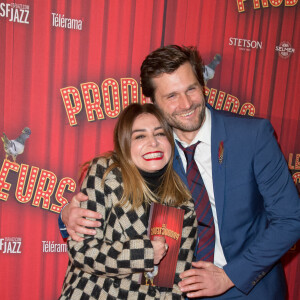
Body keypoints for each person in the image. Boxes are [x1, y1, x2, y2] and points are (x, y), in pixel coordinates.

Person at [59, 45, 300, 299]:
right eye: (171, 96)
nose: (186, 104)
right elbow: (109, 188)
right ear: (152, 103)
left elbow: (291, 219)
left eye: (191, 89)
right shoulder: (153, 151)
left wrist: (230, 276)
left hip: (249, 287)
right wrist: (66, 217)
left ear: (202, 84)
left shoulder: (252, 136)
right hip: (178, 292)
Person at [59, 103, 197, 299]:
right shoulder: (104, 173)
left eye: (159, 134)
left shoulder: (182, 200)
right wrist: (145, 254)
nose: (153, 143)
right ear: (125, 143)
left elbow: (177, 283)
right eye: (140, 136)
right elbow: (83, 251)